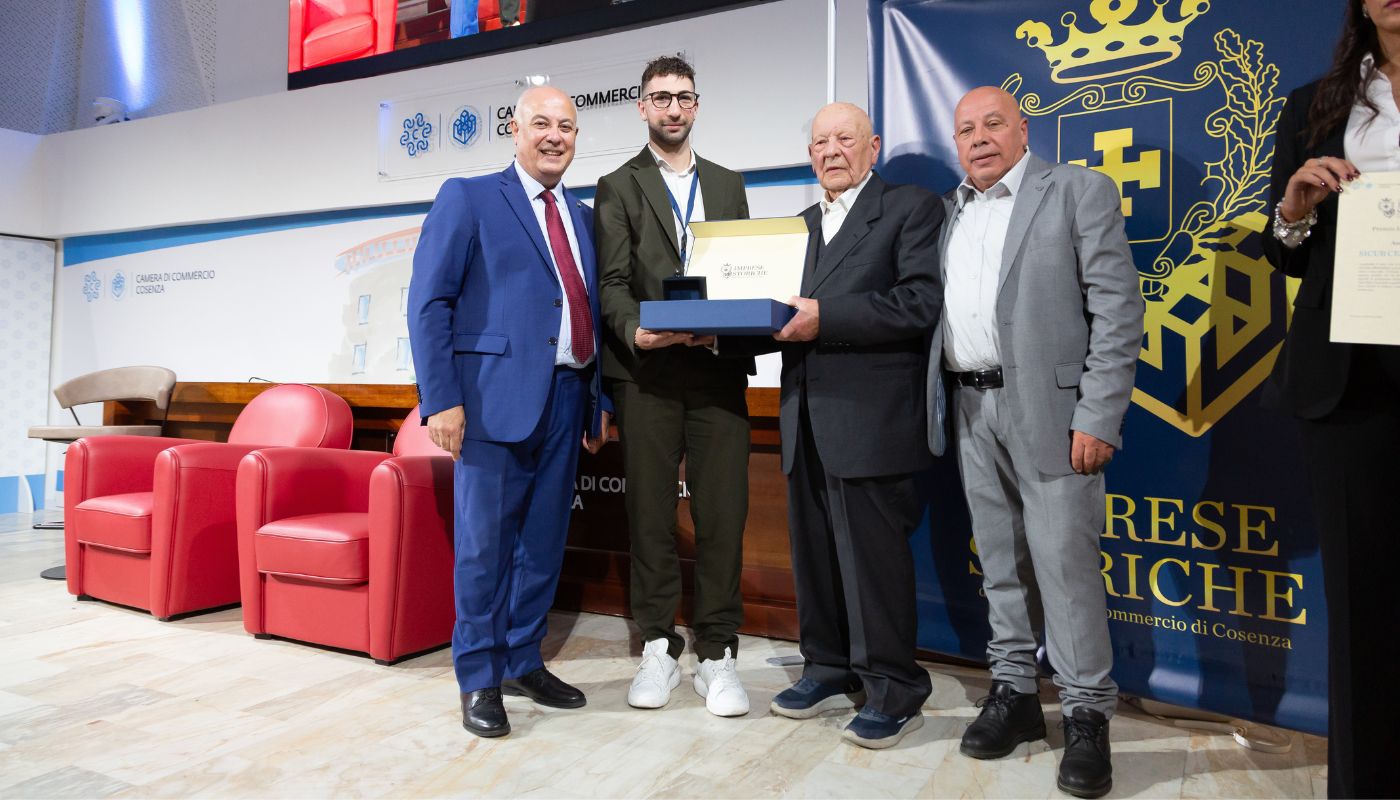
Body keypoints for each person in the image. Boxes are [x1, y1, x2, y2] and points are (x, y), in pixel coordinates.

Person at [926, 86, 1143, 798]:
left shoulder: (1077, 190)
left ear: (1024, 130)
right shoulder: (949, 211)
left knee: (1065, 568)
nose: (979, 138)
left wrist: (1098, 414)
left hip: (1053, 413)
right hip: (969, 407)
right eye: (966, 129)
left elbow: (1118, 309)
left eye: (994, 124)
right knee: (1000, 564)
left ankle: (1086, 715)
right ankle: (1016, 694)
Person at [407, 85, 610, 739]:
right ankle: (479, 676)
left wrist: (599, 401)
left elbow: (590, 313)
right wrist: (441, 399)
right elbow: (429, 303)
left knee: (543, 544)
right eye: (541, 123)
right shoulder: (468, 198)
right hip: (490, 403)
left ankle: (523, 660)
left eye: (567, 127)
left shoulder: (582, 217)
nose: (555, 136)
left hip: (567, 398)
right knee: (484, 548)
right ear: (515, 132)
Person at [763, 102, 943, 749]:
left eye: (844, 138)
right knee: (814, 556)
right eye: (820, 142)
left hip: (872, 420)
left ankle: (894, 687)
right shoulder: (797, 227)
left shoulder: (911, 208)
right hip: (803, 417)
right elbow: (775, 314)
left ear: (873, 146)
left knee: (873, 565)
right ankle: (827, 667)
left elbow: (920, 302)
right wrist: (715, 327)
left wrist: (827, 319)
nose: (831, 150)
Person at [1263, 1, 1400, 795]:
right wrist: (1294, 211)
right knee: (1359, 604)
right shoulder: (1314, 105)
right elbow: (1285, 253)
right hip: (1348, 378)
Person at [594, 55, 754, 716]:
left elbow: (744, 275)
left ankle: (717, 653)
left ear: (696, 105)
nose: (673, 108)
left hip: (716, 370)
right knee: (651, 516)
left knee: (723, 516)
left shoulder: (727, 184)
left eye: (684, 97)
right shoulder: (618, 185)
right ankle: (658, 646)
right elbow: (611, 282)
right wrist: (637, 331)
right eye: (661, 97)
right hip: (648, 375)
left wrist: (725, 330)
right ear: (642, 107)